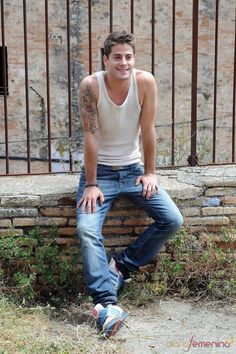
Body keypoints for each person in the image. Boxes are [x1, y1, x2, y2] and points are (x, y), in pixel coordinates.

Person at [76, 30, 183, 338]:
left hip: (134, 170)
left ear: (133, 59)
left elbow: (147, 130)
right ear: (106, 59)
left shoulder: (145, 82)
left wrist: (150, 173)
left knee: (173, 219)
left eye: (128, 57)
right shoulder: (91, 86)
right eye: (117, 57)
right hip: (101, 175)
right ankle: (106, 303)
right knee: (86, 228)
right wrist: (92, 183)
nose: (123, 63)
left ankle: (121, 267)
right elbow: (90, 136)